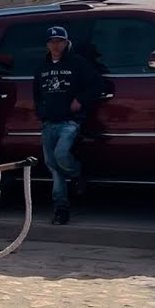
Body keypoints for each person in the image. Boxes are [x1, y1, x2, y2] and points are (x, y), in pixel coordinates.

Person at [33, 26, 103, 226]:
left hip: (69, 122)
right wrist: (41, 111)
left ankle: (77, 174)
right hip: (48, 123)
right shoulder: (41, 67)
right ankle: (61, 210)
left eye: (60, 41)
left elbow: (97, 85)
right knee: (54, 168)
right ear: (47, 44)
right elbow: (36, 93)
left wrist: (80, 100)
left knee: (61, 156)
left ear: (66, 43)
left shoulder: (78, 63)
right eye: (52, 41)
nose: (56, 45)